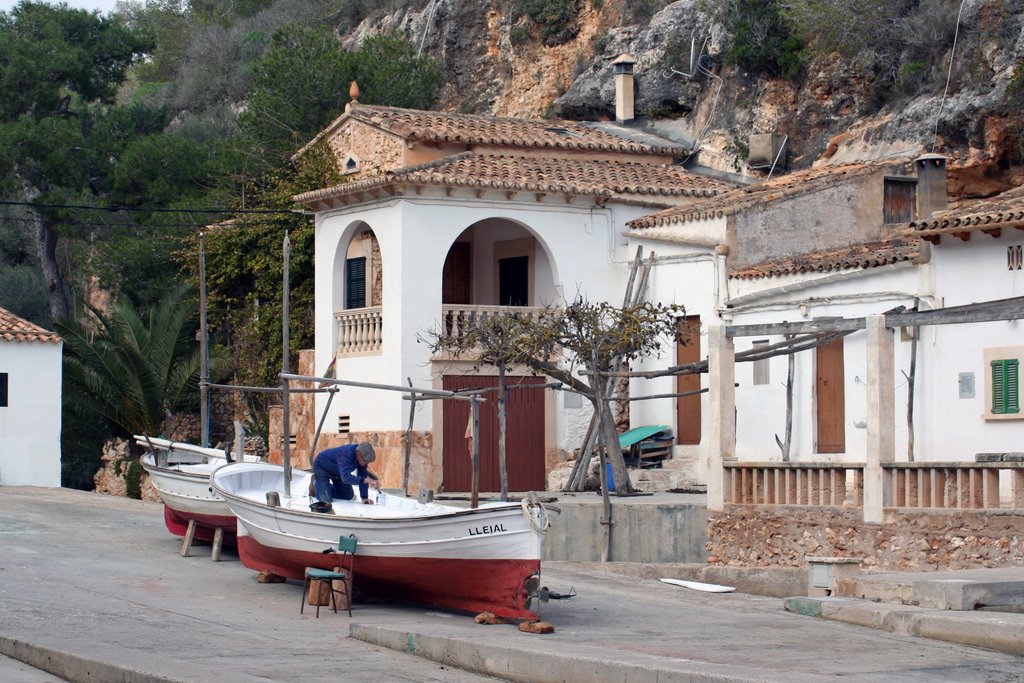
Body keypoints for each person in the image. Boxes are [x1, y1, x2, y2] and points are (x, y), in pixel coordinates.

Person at [313, 442, 380, 505]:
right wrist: (367, 480)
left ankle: (325, 488)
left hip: (338, 472)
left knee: (348, 495)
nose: (367, 463)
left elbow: (363, 476)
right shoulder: (345, 454)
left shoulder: (362, 459)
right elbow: (346, 478)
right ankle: (316, 484)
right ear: (358, 454)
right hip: (322, 468)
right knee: (326, 501)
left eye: (368, 461)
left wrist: (364, 497)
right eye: (366, 460)